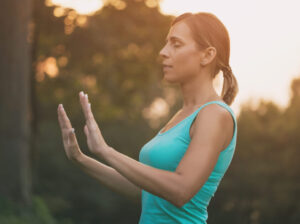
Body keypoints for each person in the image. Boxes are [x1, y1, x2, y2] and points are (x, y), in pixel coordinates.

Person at [57, 11, 238, 224]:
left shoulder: (215, 115)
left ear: (207, 55)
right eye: (166, 44)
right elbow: (144, 192)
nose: (163, 52)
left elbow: (181, 190)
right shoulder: (181, 116)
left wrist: (106, 151)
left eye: (176, 44)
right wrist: (81, 158)